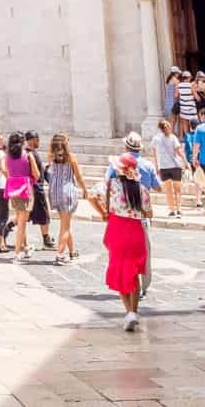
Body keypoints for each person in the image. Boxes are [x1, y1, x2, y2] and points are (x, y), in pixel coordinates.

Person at [88, 134, 154, 331]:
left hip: (116, 228)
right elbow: (150, 212)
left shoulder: (110, 186)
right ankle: (133, 311)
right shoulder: (141, 189)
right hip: (135, 231)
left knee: (119, 271)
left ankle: (128, 313)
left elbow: (91, 196)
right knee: (133, 272)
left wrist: (103, 213)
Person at [44, 132, 90, 265]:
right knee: (65, 227)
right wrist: (85, 190)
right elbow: (79, 177)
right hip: (67, 191)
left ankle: (72, 251)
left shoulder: (50, 156)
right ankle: (59, 255)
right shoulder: (71, 158)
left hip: (54, 192)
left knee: (65, 223)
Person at [2, 133, 36, 261]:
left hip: (14, 190)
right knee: (22, 223)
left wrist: (13, 179)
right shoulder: (28, 155)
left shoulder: (8, 156)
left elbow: (5, 170)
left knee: (21, 220)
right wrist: (28, 180)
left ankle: (26, 247)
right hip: (26, 191)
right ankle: (17, 252)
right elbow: (37, 174)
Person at [150, 119, 186, 218]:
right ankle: (179, 210)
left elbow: (155, 155)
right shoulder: (173, 137)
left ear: (159, 128)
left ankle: (172, 210)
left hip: (164, 167)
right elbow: (179, 152)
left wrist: (157, 167)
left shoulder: (156, 139)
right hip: (175, 166)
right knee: (178, 190)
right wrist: (186, 163)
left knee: (169, 190)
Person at [25, 132, 54, 250]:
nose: (39, 141)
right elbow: (34, 173)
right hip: (36, 188)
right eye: (37, 139)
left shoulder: (30, 153)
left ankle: (6, 228)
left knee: (26, 216)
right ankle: (46, 240)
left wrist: (44, 169)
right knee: (44, 215)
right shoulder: (29, 154)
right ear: (32, 140)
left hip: (33, 188)